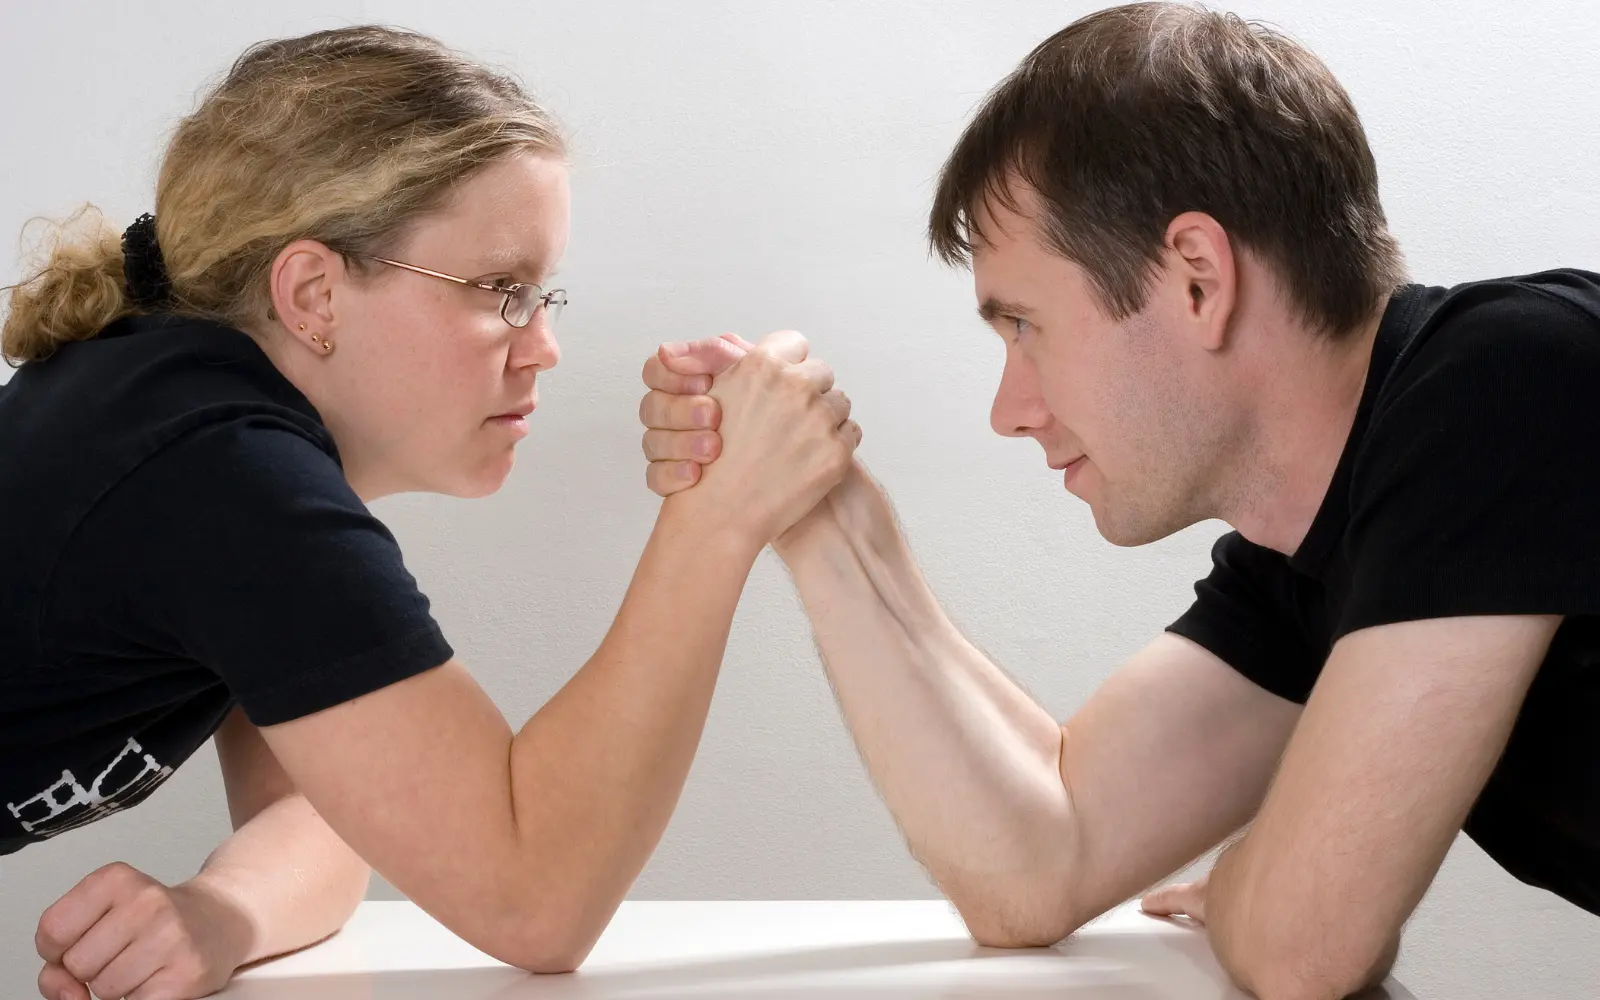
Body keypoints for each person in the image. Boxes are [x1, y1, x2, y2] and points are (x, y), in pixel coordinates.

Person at [640, 4, 1600, 998]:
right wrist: (827, 519)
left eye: (1025, 326)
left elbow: (1300, 948)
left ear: (1196, 279)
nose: (1009, 410)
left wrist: (1244, 883)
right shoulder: (1313, 554)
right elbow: (1039, 862)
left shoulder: (1510, 381)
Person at [0, 25, 857, 1000]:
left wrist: (220, 910)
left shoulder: (190, 418)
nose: (542, 348)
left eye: (544, 296)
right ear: (314, 292)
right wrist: (716, 517)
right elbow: (534, 898)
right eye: (502, 290)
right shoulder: (221, 476)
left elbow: (335, 812)